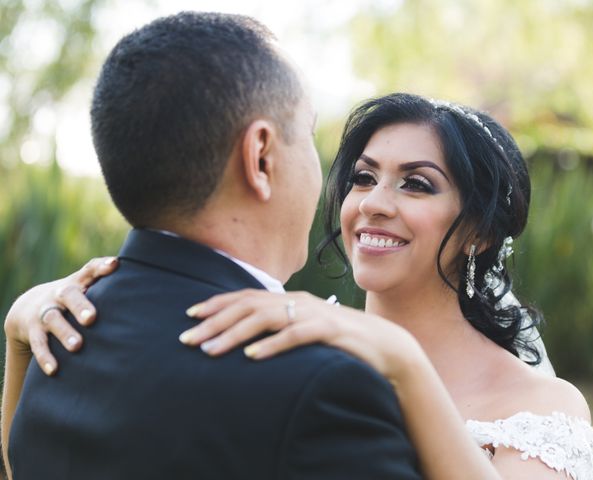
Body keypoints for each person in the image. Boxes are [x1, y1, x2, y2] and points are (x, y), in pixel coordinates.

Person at [4, 90, 593, 478]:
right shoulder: (280, 339)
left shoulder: (539, 408)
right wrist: (19, 335)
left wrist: (403, 363)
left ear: (479, 231)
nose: (373, 203)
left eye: (416, 184)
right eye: (364, 178)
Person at [1, 12, 426, 480]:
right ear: (260, 156)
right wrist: (406, 358)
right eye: (307, 133)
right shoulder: (320, 385)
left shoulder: (53, 336)